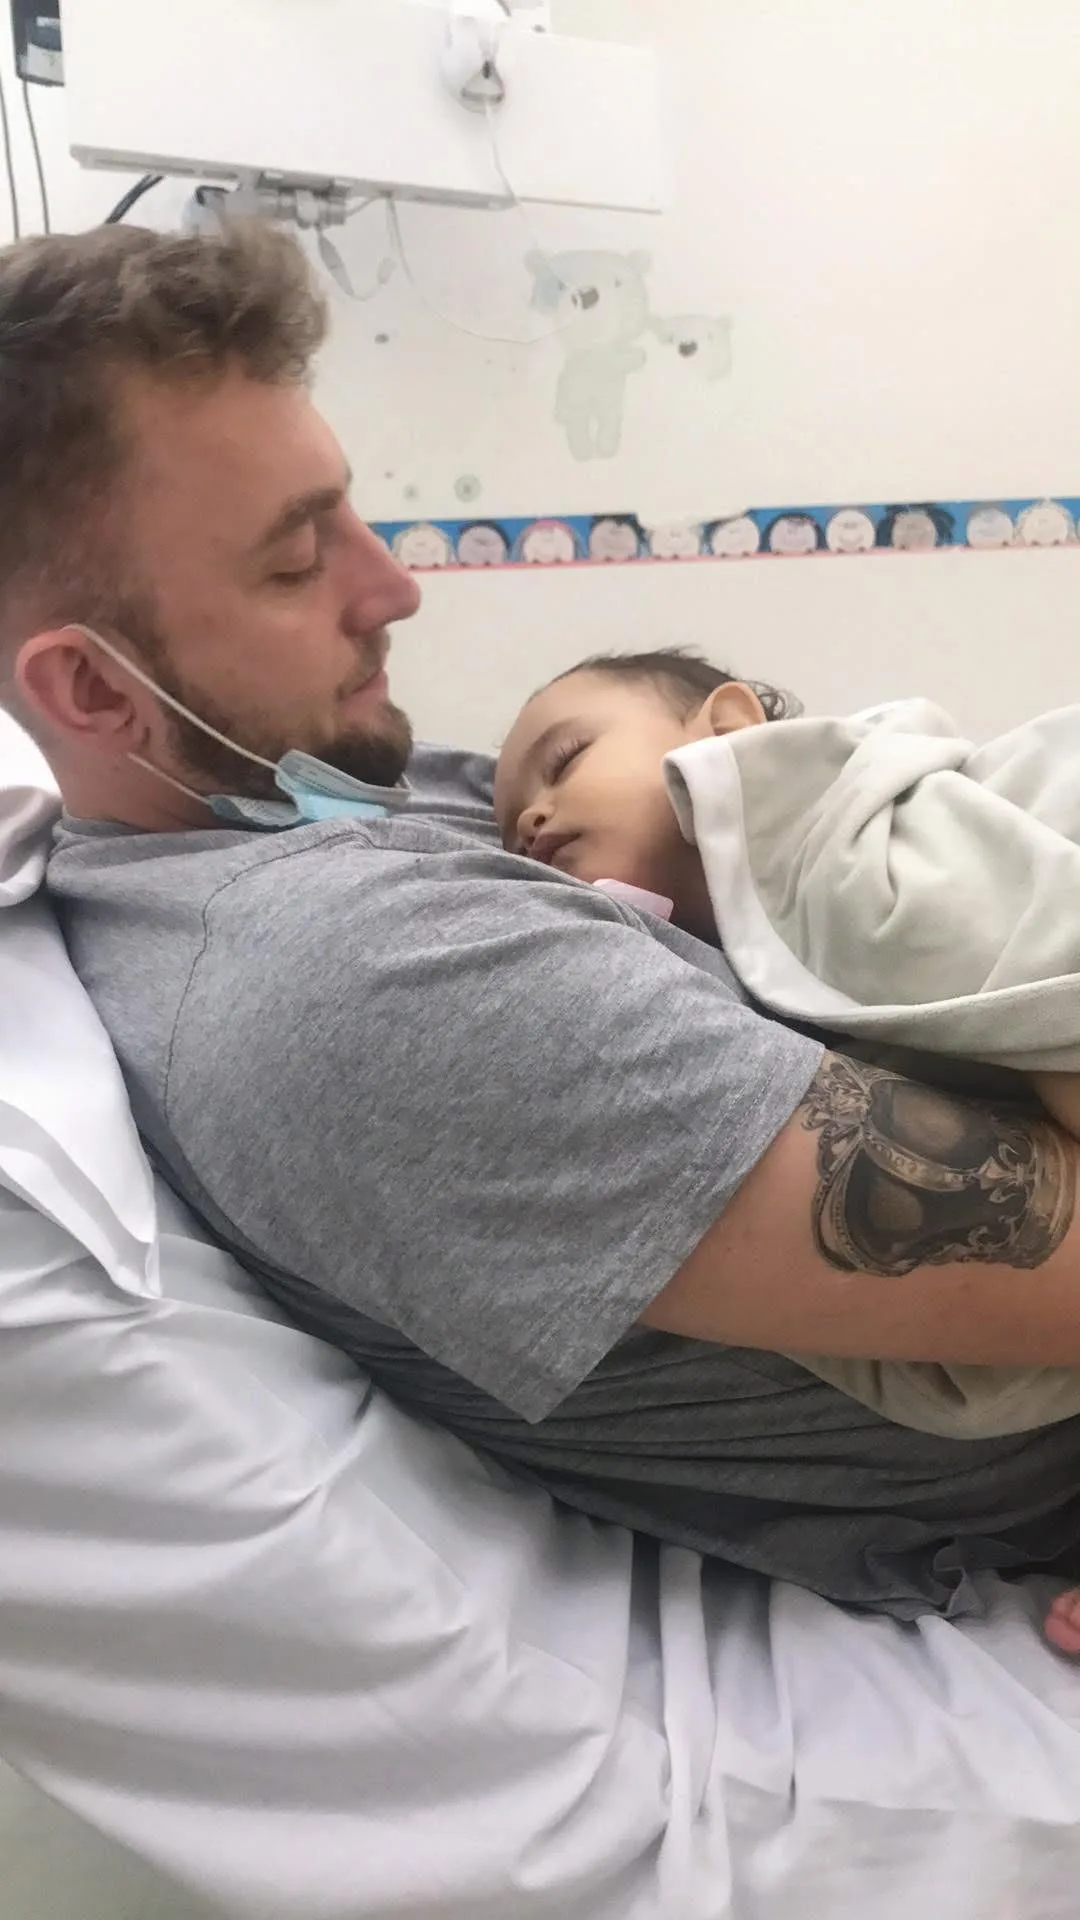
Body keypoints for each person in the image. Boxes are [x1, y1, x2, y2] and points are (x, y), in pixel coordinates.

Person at [8, 225, 1080, 1633]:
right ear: (90, 695)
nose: (393, 590)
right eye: (293, 564)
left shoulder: (331, 797)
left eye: (349, 512)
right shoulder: (359, 979)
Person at [495, 647, 1080, 1649]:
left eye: (565, 759)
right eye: (509, 827)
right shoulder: (726, 977)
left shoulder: (846, 852)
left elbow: (1044, 959)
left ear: (726, 729)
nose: (533, 818)